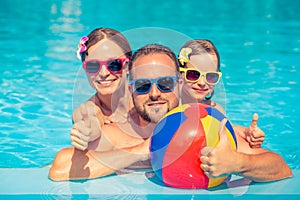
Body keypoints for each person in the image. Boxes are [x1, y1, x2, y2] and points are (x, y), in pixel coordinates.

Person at [49, 44, 292, 182]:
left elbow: (281, 168)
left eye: (165, 84)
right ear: (131, 90)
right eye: (143, 86)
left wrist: (237, 162)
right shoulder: (124, 132)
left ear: (179, 84)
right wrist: (144, 150)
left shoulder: (205, 128)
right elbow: (60, 168)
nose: (154, 93)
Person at [178, 39, 264, 148]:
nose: (202, 83)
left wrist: (246, 134)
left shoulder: (215, 110)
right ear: (179, 74)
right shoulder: (171, 108)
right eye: (193, 75)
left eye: (210, 76)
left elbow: (225, 129)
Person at [70, 28, 133, 150]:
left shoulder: (149, 97)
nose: (103, 73)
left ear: (128, 66)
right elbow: (89, 119)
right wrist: (86, 131)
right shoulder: (89, 109)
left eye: (114, 64)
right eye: (93, 66)